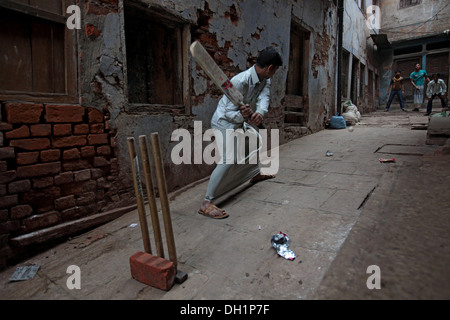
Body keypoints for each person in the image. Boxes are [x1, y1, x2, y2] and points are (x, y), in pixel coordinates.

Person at [198, 46, 283, 219]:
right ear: (270, 68)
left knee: (256, 140)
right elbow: (228, 112)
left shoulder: (265, 79)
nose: (273, 74)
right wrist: (241, 115)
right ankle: (206, 202)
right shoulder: (239, 81)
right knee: (229, 159)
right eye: (275, 70)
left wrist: (260, 113)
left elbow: (264, 98)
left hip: (241, 119)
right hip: (224, 122)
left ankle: (254, 173)